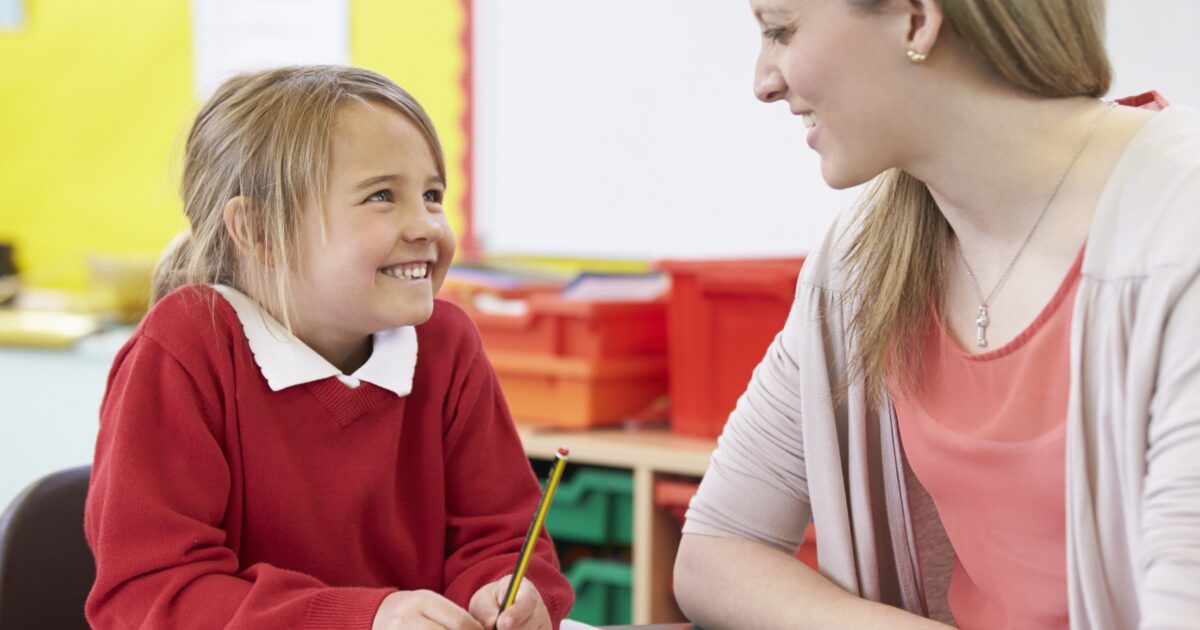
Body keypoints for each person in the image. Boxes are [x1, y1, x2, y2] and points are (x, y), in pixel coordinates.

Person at [674, 0, 1200, 628]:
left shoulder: (1177, 239)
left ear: (916, 19)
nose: (764, 81)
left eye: (782, 31)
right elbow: (715, 551)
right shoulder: (862, 263)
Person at [84, 65, 573, 630]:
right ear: (261, 231)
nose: (427, 226)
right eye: (382, 196)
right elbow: (151, 595)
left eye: (432, 194)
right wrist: (364, 619)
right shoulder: (187, 349)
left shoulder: (446, 343)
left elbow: (504, 540)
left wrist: (506, 593)